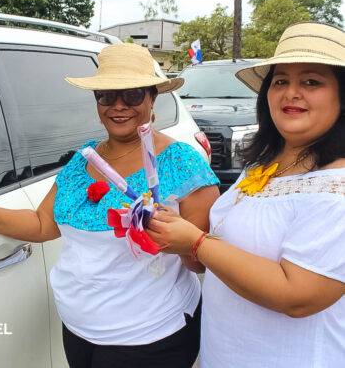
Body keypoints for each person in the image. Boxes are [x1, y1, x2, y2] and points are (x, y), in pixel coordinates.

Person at [0, 43, 219, 368]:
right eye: (106, 96)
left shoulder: (181, 163)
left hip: (149, 334)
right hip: (78, 327)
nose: (118, 106)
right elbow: (43, 224)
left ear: (152, 98)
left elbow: (204, 261)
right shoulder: (82, 160)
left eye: (132, 95)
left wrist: (177, 241)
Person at [147, 21, 345, 367]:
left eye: (311, 82)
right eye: (281, 80)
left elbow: (298, 295)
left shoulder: (336, 188)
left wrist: (196, 243)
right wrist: (186, 244)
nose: (291, 92)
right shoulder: (264, 164)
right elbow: (235, 246)